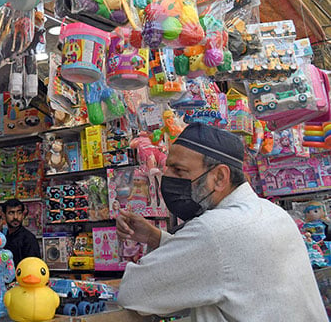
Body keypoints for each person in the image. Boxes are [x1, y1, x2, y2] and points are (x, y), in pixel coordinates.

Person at [116, 123, 326, 320]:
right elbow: (224, 266)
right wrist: (156, 238)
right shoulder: (272, 213)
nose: (167, 178)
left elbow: (134, 293)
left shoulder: (214, 230)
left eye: (179, 171)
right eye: (167, 169)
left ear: (219, 177)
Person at [2, 199, 40, 263]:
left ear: (23, 215)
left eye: (19, 213)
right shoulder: (5, 237)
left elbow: (33, 266)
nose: (15, 217)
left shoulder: (28, 239)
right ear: (4, 215)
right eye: (11, 213)